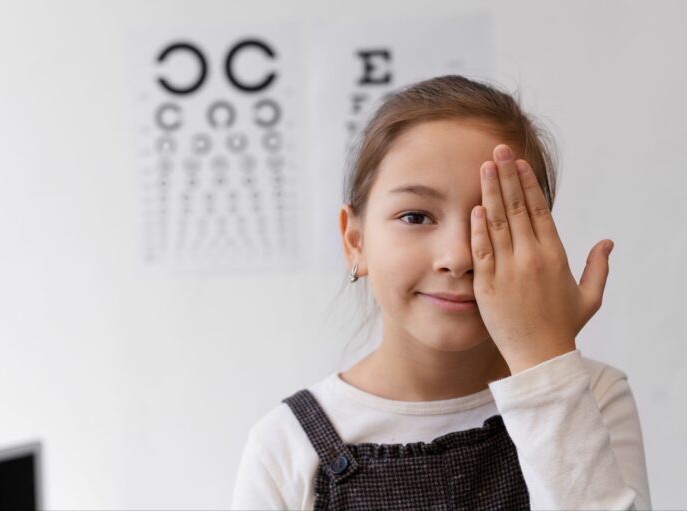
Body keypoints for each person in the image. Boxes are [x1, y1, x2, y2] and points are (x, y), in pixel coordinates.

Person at [230, 75, 651, 510]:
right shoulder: (286, 446)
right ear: (355, 240)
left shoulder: (592, 396)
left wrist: (543, 361)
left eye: (491, 219)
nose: (458, 257)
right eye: (415, 216)